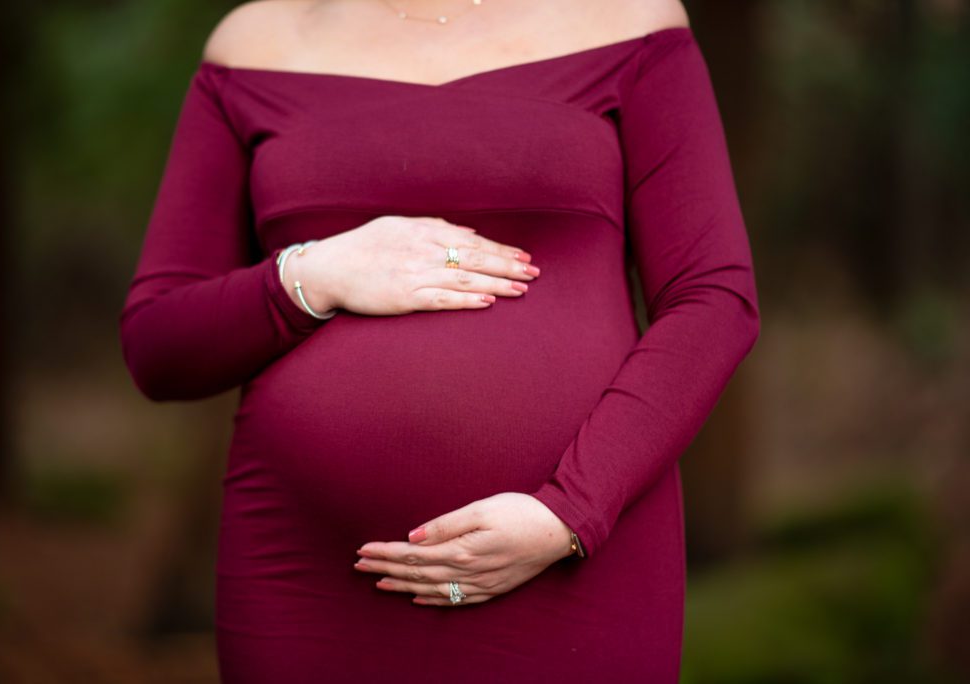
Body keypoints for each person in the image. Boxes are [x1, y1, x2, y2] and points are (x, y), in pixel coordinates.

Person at [118, 0, 761, 681]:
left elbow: (713, 299)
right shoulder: (256, 42)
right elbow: (159, 343)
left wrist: (570, 511)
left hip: (572, 559)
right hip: (310, 577)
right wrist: (312, 273)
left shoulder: (631, 20)